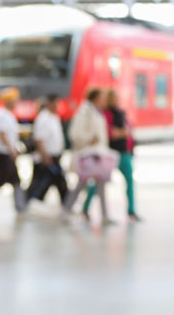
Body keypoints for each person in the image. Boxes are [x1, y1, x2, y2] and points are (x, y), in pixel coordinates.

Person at [82, 89, 140, 221]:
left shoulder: (120, 113)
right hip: (110, 153)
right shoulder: (105, 114)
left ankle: (131, 211)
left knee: (129, 181)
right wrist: (121, 133)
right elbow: (109, 133)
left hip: (124, 152)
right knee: (99, 182)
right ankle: (85, 208)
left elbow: (127, 132)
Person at [63, 88, 117, 225]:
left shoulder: (97, 112)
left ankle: (104, 215)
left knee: (101, 184)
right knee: (81, 184)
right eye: (102, 97)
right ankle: (66, 210)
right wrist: (89, 139)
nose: (104, 100)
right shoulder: (85, 112)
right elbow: (74, 133)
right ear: (95, 98)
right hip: (87, 155)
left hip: (98, 155)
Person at [26, 95, 68, 204]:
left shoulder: (54, 117)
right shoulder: (43, 118)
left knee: (58, 182)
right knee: (42, 182)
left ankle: (67, 204)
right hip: (48, 156)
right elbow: (38, 139)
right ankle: (30, 202)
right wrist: (45, 156)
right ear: (49, 103)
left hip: (55, 155)